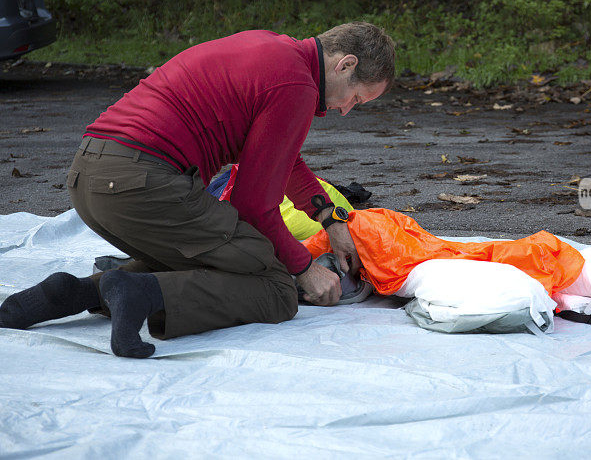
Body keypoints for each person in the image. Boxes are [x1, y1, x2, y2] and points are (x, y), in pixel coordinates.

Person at [0, 21, 395, 358]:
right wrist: (304, 268)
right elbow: (254, 206)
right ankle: (139, 293)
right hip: (142, 185)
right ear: (345, 65)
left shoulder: (272, 49)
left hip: (89, 178)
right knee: (275, 285)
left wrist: (331, 217)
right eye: (356, 98)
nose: (346, 110)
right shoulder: (298, 84)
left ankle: (72, 293)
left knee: (219, 260)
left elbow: (283, 158)